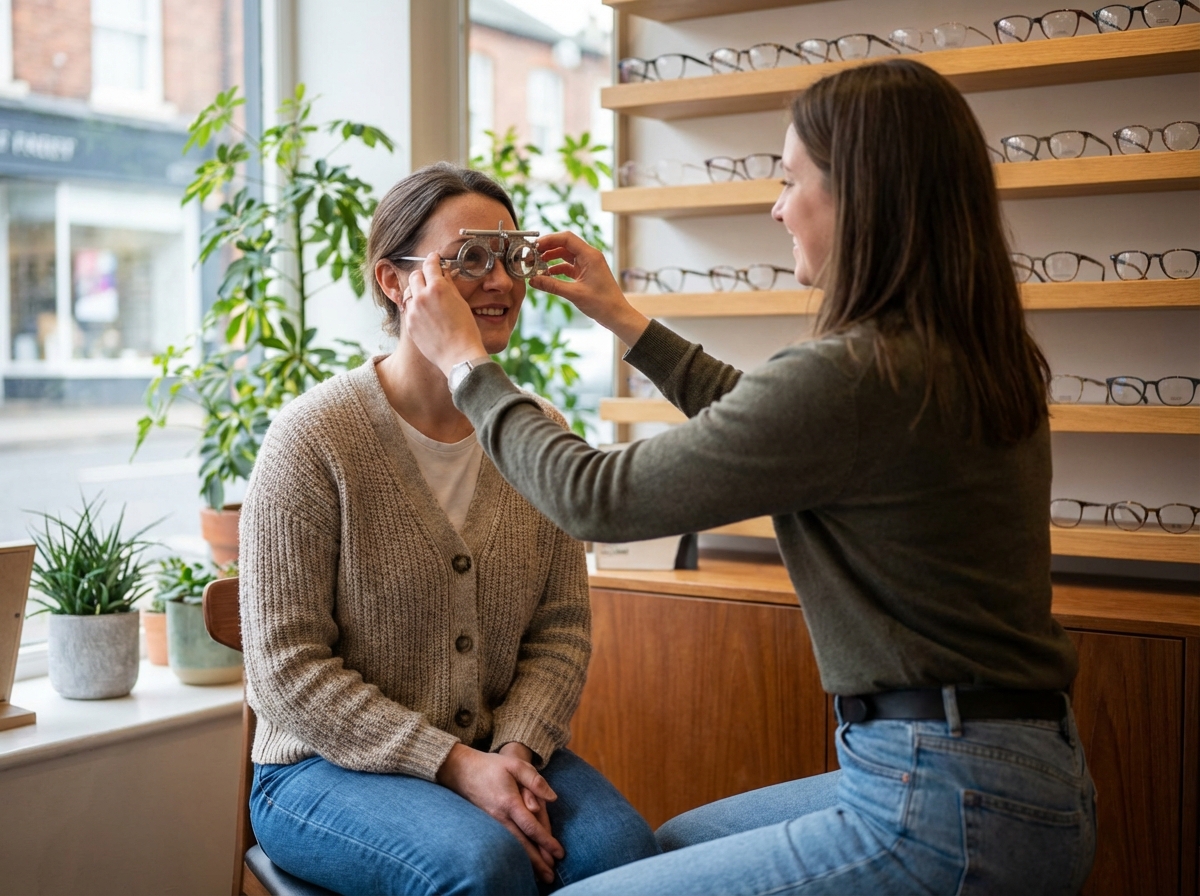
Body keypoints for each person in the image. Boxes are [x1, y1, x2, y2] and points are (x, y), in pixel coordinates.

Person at [401, 60, 1097, 894]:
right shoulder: (961, 357)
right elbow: (772, 420)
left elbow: (595, 498)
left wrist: (469, 369)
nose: (778, 207)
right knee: (671, 845)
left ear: (860, 198)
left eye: (791, 180)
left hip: (946, 800)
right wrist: (622, 317)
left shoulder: (857, 375)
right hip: (1023, 772)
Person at [239, 163, 658, 896]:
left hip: (498, 749)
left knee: (625, 855)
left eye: (510, 256)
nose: (499, 281)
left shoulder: (538, 433)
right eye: (469, 258)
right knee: (481, 866)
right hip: (321, 768)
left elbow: (560, 631)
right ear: (395, 281)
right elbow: (285, 670)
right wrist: (456, 766)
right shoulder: (312, 438)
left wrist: (515, 752)